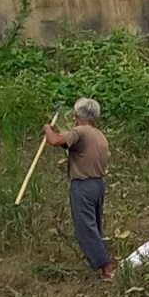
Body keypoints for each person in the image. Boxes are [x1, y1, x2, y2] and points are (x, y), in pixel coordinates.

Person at [44, 98, 115, 281]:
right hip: (98, 184)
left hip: (83, 185)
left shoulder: (80, 131)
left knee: (86, 227)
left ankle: (105, 267)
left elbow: (56, 140)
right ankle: (102, 263)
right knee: (95, 225)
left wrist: (47, 129)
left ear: (77, 115)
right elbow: (68, 146)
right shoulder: (99, 136)